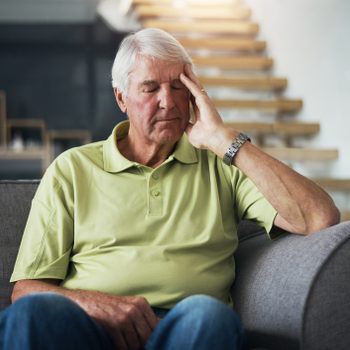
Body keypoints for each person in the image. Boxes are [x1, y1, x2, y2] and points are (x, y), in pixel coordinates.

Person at [0, 28, 340, 350]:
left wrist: (224, 139)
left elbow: (319, 218)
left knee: (209, 316)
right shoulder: (72, 169)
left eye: (179, 86)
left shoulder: (222, 164)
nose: (169, 102)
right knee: (32, 315)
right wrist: (99, 305)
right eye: (151, 89)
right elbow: (26, 290)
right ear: (122, 97)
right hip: (88, 325)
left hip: (184, 328)